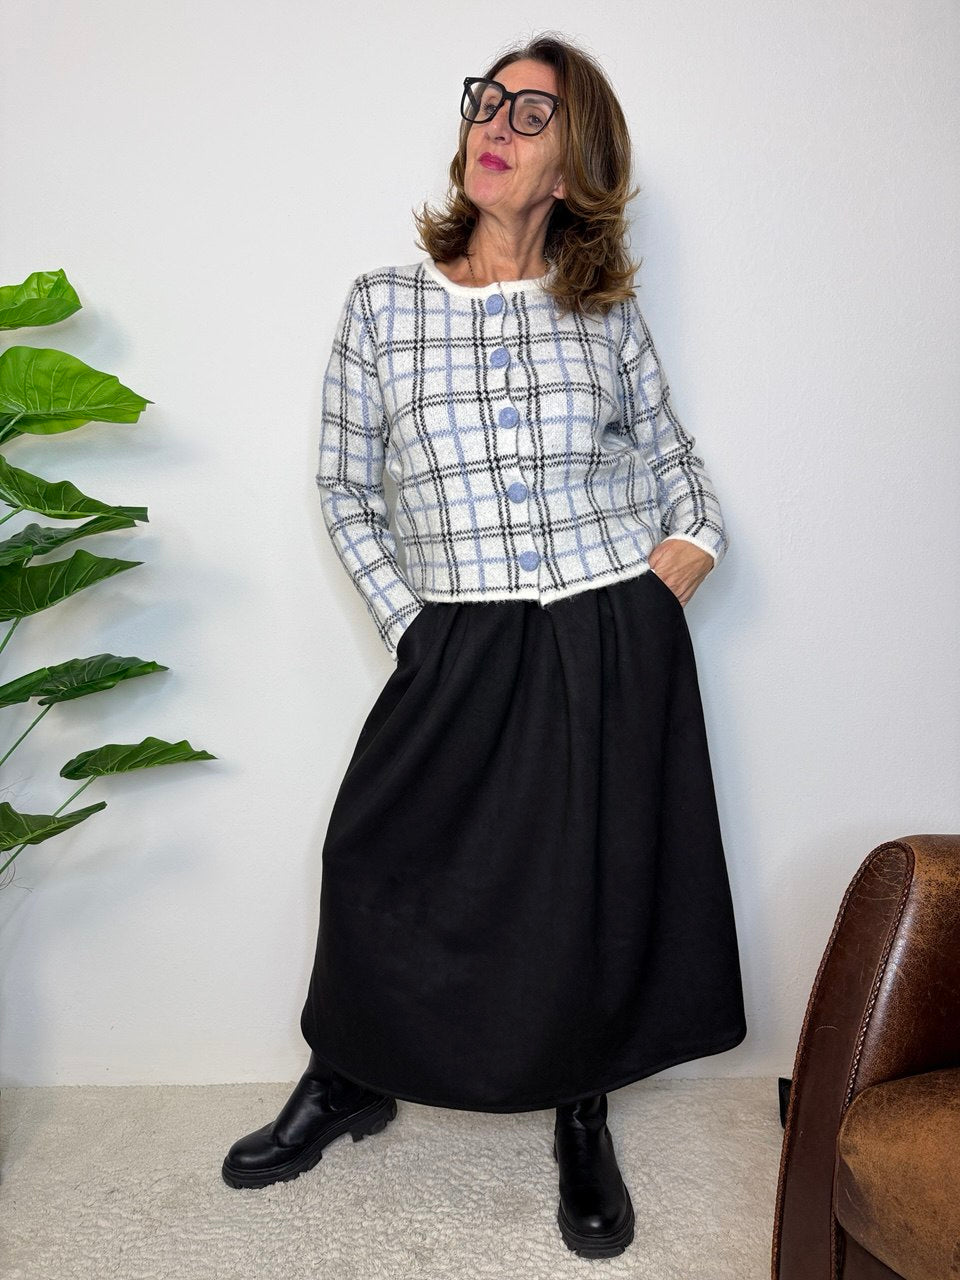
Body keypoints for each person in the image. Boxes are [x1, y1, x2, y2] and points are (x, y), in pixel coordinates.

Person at [222, 33, 747, 1260]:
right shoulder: (383, 304)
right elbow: (342, 486)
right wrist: (412, 623)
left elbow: (673, 454)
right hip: (458, 628)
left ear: (573, 161)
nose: (495, 124)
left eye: (530, 112)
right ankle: (349, 1071)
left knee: (586, 883)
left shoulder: (603, 311)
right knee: (375, 850)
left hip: (605, 625)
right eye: (487, 102)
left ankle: (581, 1107)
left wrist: (689, 551)